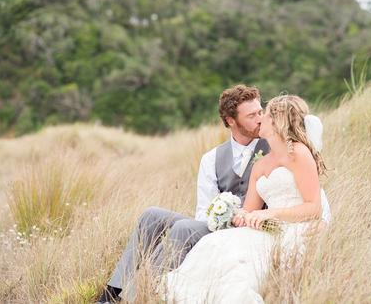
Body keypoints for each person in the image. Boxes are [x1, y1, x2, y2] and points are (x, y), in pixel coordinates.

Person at [97, 84, 272, 303]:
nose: (260, 119)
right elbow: (203, 211)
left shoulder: (273, 148)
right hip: (214, 227)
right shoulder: (212, 158)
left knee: (182, 228)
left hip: (250, 230)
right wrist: (219, 219)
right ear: (231, 121)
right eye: (251, 115)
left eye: (260, 112)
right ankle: (111, 293)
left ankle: (135, 297)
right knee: (151, 214)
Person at [165, 94, 331, 303]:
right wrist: (241, 215)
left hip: (296, 228)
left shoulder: (298, 153)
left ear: (278, 121)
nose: (261, 118)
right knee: (214, 243)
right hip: (266, 228)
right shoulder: (260, 164)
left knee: (240, 265)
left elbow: (313, 207)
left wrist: (271, 213)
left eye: (266, 114)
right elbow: (249, 209)